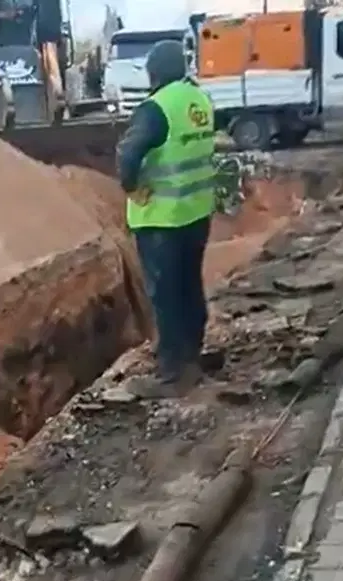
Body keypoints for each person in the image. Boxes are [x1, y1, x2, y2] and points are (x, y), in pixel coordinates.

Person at [117, 40, 216, 398]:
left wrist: (131, 186)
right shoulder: (199, 100)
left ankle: (173, 374)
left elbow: (128, 153)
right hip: (197, 212)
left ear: (154, 72)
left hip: (162, 218)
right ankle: (190, 354)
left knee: (165, 294)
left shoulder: (156, 107)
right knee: (189, 284)